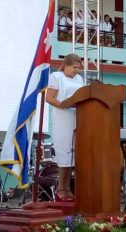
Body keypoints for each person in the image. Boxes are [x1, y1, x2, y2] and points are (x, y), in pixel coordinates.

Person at [46, 54, 84, 201]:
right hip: (63, 118)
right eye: (74, 67)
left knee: (74, 155)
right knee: (65, 153)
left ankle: (68, 188)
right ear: (66, 65)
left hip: (77, 117)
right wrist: (63, 105)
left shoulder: (79, 79)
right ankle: (60, 187)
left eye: (78, 68)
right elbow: (49, 98)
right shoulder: (57, 76)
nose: (76, 70)